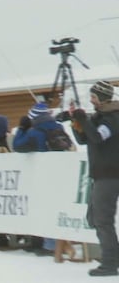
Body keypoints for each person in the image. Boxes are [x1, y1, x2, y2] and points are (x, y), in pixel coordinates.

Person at [72, 80, 119, 277]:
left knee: (102, 220)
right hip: (102, 175)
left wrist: (83, 120)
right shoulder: (99, 117)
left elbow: (98, 137)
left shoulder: (113, 118)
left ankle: (110, 262)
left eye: (93, 97)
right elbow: (85, 139)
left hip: (110, 175)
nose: (91, 101)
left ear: (102, 98)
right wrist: (75, 122)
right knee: (95, 218)